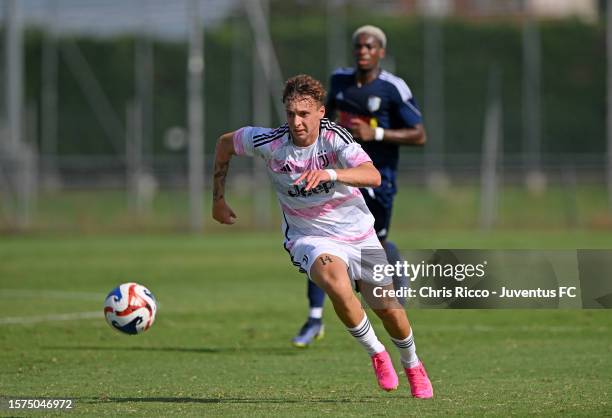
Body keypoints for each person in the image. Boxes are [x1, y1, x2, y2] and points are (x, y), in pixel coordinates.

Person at [212, 74, 433, 398]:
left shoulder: (335, 138)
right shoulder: (270, 143)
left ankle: (412, 363)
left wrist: (331, 173)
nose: (297, 122)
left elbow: (371, 175)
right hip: (309, 237)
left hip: (358, 233)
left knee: (388, 309)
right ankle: (377, 354)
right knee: (337, 284)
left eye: (304, 114)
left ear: (320, 112)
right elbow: (224, 144)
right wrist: (217, 199)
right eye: (291, 114)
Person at [292, 25, 426, 348]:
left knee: (374, 244)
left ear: (381, 52)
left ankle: (391, 268)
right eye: (359, 47)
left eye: (370, 47)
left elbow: (419, 134)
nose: (363, 51)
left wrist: (376, 134)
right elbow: (325, 120)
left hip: (378, 180)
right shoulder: (339, 81)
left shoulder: (394, 88)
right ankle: (314, 318)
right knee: (321, 240)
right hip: (338, 176)